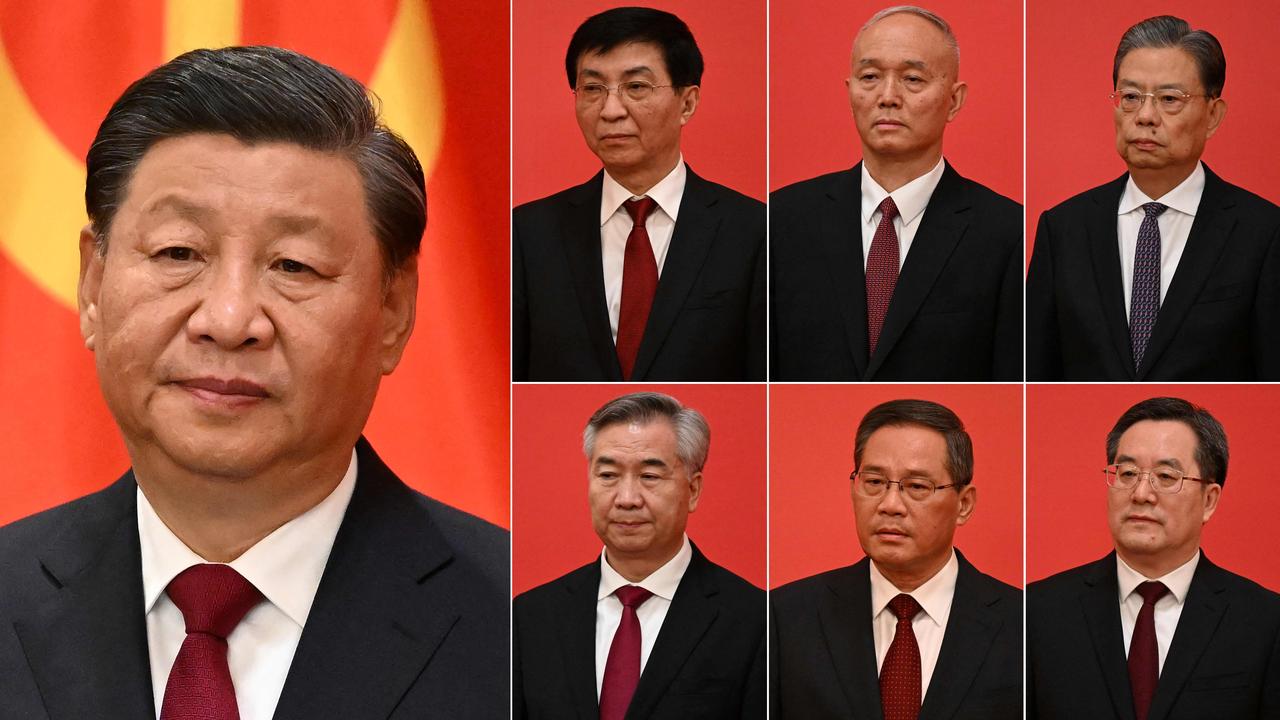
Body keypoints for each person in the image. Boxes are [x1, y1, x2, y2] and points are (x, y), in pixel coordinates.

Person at [0, 47, 507, 719]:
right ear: (94, 285)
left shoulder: (525, 628)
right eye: (179, 253)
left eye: (294, 265)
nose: (230, 319)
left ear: (393, 310)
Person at [513, 7, 765, 382]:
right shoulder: (528, 232)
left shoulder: (753, 230)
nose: (611, 110)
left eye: (636, 87)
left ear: (688, 102)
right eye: (593, 89)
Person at [770, 5, 1021, 381]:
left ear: (954, 100)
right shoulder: (781, 219)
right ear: (849, 89)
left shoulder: (1006, 231)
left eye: (913, 79)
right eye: (869, 76)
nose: (887, 96)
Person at [1027, 15, 1280, 381]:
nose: (1145, 116)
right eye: (1130, 97)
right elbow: (1036, 370)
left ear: (1212, 114)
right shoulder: (1063, 228)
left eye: (1169, 99)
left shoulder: (1264, 233)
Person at [513, 392, 764, 719]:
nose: (627, 498)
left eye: (649, 476)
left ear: (693, 490)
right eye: (608, 475)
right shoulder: (530, 616)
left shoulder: (754, 619)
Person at [1028, 397, 1280, 718]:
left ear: (1209, 500)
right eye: (1128, 472)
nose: (1141, 493)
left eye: (1165, 477)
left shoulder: (1266, 622)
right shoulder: (1038, 612)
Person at [772, 399, 1021, 719]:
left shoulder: (1023, 625)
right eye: (874, 482)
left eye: (917, 486)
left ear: (964, 504)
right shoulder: (783, 617)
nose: (890, 504)